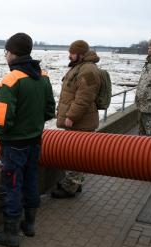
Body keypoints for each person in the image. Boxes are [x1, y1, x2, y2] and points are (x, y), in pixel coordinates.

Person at [0, 33, 55, 247]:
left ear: (12, 53)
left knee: (11, 185)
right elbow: (49, 110)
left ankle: (11, 232)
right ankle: (29, 225)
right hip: (35, 140)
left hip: (14, 144)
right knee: (30, 179)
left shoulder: (11, 80)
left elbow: (1, 120)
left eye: (5, 52)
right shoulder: (42, 76)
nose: (5, 55)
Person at [52, 40, 101, 199]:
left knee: (76, 154)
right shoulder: (80, 67)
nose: (69, 55)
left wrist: (71, 116)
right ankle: (74, 183)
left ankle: (71, 187)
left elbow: (84, 97)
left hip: (81, 121)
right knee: (73, 153)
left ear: (80, 53)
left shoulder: (88, 70)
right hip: (79, 120)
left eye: (72, 53)